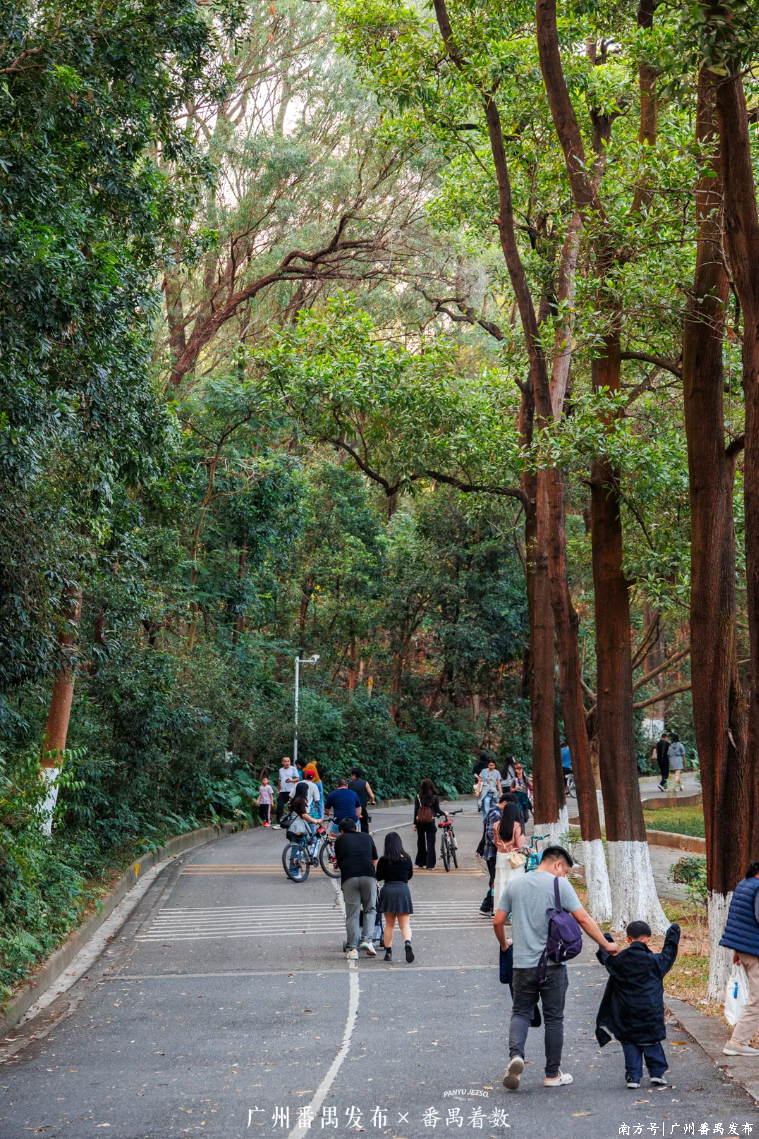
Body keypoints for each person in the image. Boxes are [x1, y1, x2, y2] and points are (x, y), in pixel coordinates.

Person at [494, 845, 619, 1090]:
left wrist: (504, 943)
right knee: (554, 1019)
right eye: (565, 871)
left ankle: (516, 1056)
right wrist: (606, 945)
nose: (564, 876)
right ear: (558, 864)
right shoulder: (559, 885)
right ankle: (552, 1075)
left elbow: (498, 921)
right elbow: (583, 918)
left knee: (520, 1012)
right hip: (552, 965)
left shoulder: (515, 885)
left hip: (522, 965)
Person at [595, 920, 681, 1088]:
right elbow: (669, 953)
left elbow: (605, 956)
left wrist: (606, 940)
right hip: (650, 1010)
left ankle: (633, 1077)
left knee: (629, 1041)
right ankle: (657, 1073)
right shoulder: (656, 961)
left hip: (625, 1012)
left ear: (628, 939)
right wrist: (673, 933)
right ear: (647, 939)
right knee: (652, 1040)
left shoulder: (618, 961)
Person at [719, 859, 759, 1056]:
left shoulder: (744, 884)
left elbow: (741, 920)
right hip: (755, 951)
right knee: (757, 1001)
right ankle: (737, 1043)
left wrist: (738, 949)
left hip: (746, 950)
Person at [334, 818, 379, 960]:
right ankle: (367, 941)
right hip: (368, 875)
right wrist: (373, 876)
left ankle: (353, 949)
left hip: (349, 878)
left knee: (352, 914)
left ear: (342, 831)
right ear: (356, 828)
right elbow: (374, 859)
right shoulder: (367, 837)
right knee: (370, 909)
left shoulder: (340, 841)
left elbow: (340, 862)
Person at [376, 831, 415, 963]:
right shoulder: (407, 859)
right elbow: (409, 875)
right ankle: (407, 943)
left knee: (389, 925)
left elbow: (378, 876)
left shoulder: (383, 860)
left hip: (388, 890)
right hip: (403, 891)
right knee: (404, 925)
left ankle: (388, 953)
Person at [493, 801, 528, 906]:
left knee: (501, 883)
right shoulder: (517, 826)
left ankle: (501, 908)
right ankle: (515, 908)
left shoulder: (496, 825)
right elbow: (521, 846)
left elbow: (495, 842)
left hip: (500, 856)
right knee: (515, 883)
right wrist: (528, 851)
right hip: (513, 857)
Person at [479, 794, 507, 916]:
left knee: (495, 880)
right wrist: (501, 847)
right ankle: (486, 907)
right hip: (492, 853)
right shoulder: (496, 814)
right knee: (495, 881)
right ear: (505, 802)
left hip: (492, 852)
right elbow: (491, 834)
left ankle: (488, 906)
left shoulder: (495, 811)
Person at [414, 778, 444, 869]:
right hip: (430, 821)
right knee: (430, 843)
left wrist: (414, 823)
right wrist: (444, 813)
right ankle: (430, 864)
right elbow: (437, 810)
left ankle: (421, 862)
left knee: (421, 841)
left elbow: (416, 810)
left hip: (420, 822)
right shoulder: (434, 796)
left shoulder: (418, 796)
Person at [348, 767, 376, 833]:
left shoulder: (349, 784)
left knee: (351, 825)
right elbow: (372, 796)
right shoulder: (365, 783)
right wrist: (371, 801)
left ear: (354, 775)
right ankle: (365, 836)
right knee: (364, 825)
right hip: (362, 808)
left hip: (352, 808)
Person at [275, 756, 299, 828]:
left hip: (291, 791)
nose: (287, 762)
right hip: (282, 791)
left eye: (288, 761)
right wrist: (278, 790)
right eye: (285, 761)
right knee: (279, 807)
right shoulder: (281, 770)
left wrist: (291, 780)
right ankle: (279, 823)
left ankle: (293, 822)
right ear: (282, 762)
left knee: (292, 807)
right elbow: (280, 780)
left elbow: (298, 779)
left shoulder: (293, 769)